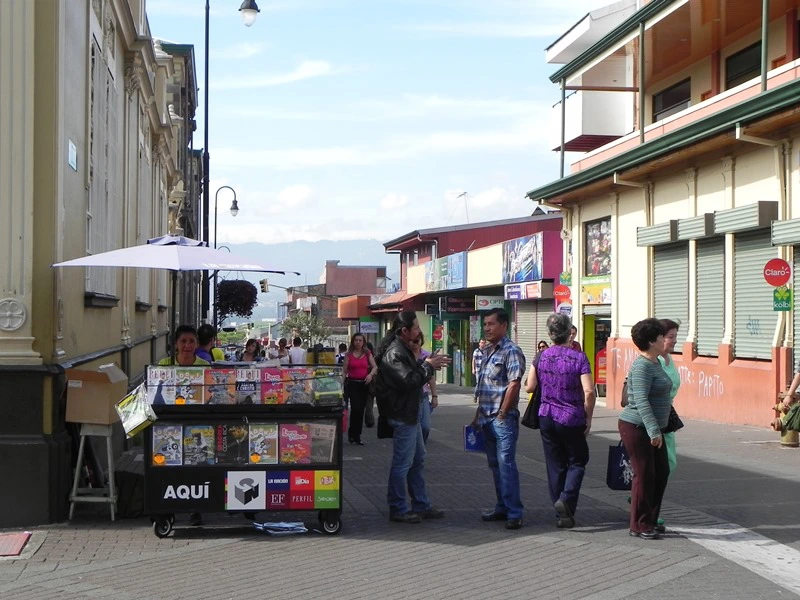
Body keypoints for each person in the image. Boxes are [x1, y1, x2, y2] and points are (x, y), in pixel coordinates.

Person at [375, 311, 450, 523]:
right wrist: (427, 366)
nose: (419, 331)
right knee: (403, 463)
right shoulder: (395, 353)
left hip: (411, 413)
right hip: (402, 415)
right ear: (404, 331)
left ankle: (421, 504)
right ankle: (398, 507)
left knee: (417, 460)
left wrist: (426, 364)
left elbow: (412, 377)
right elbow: (408, 380)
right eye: (416, 327)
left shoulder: (404, 350)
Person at [525, 314, 594, 529]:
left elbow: (529, 386)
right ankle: (566, 499)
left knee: (555, 465)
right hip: (572, 417)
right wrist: (588, 418)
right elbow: (590, 391)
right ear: (570, 332)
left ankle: (561, 513)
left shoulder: (541, 356)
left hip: (546, 415)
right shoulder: (579, 357)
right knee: (578, 460)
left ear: (550, 334)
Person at [618, 318, 672, 540]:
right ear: (652, 341)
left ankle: (649, 519)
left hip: (653, 427)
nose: (666, 340)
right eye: (662, 337)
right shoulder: (641, 366)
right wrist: (653, 430)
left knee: (661, 472)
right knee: (644, 475)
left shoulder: (656, 362)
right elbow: (640, 400)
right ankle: (639, 525)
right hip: (637, 426)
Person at [473, 308, 526, 530]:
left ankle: (515, 512)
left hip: (502, 419)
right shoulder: (486, 352)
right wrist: (477, 415)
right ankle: (502, 507)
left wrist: (503, 413)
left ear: (504, 326)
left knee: (506, 465)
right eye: (485, 324)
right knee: (495, 465)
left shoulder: (511, 351)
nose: (487, 328)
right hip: (486, 417)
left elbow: (514, 384)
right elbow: (485, 386)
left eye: (491, 324)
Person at [657, 318, 681, 532]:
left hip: (668, 418)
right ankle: (648, 510)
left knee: (669, 464)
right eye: (670, 337)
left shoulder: (669, 359)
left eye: (675, 336)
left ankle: (641, 499)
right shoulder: (650, 360)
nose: (674, 340)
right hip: (653, 419)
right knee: (656, 468)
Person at [342, 333, 378, 445]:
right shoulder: (348, 355)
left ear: (363, 342)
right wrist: (341, 386)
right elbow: (344, 371)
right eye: (356, 340)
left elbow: (375, 367)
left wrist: (370, 375)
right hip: (352, 384)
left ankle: (357, 436)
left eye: (360, 340)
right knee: (355, 408)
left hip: (364, 384)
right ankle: (352, 433)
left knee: (361, 410)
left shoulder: (367, 353)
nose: (358, 342)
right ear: (353, 341)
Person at [410, 333, 437, 443]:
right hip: (410, 396)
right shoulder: (404, 355)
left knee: (425, 426)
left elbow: (430, 377)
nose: (415, 343)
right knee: (413, 426)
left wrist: (434, 396)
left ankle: (420, 444)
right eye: (413, 341)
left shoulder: (427, 355)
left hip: (423, 395)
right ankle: (417, 447)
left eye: (418, 340)